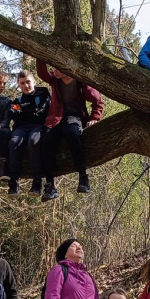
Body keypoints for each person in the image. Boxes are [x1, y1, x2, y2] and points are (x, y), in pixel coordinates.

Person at [35, 59, 105, 200]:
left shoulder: (81, 83)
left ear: (67, 68)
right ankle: (50, 185)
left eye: (57, 67)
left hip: (74, 117)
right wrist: (39, 54)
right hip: (56, 119)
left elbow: (98, 101)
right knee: (47, 141)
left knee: (73, 133)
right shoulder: (55, 80)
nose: (54, 70)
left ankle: (83, 177)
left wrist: (94, 118)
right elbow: (42, 73)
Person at [6, 71, 51, 196]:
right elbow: (14, 115)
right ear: (19, 85)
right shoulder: (17, 100)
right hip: (20, 128)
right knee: (14, 142)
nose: (26, 85)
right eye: (22, 83)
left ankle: (37, 181)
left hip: (38, 127)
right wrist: (31, 112)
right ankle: (13, 182)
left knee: (33, 141)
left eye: (28, 82)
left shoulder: (43, 95)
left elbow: (42, 113)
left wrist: (24, 112)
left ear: (34, 82)